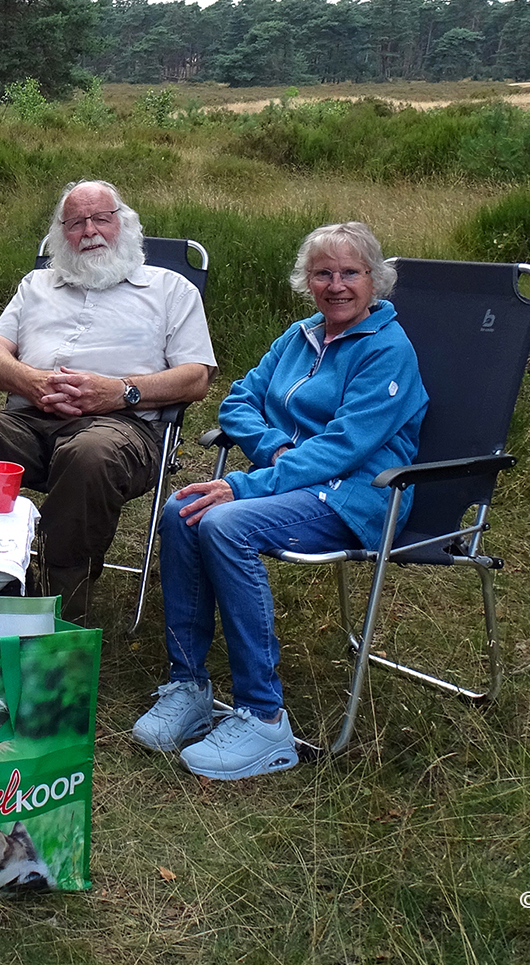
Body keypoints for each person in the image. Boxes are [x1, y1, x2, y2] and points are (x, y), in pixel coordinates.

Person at [131, 221, 429, 780]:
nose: (336, 285)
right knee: (180, 510)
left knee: (224, 524)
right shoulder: (299, 337)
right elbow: (237, 403)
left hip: (359, 496)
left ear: (375, 280)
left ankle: (264, 718)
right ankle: (189, 684)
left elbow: (342, 450)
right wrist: (276, 447)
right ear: (307, 281)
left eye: (350, 273)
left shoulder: (389, 351)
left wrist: (246, 482)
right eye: (323, 273)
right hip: (295, 481)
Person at [0, 179, 216, 620]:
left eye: (101, 219)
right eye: (75, 223)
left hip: (120, 427)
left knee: (89, 454)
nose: (89, 231)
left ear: (123, 225)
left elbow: (196, 376)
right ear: (60, 235)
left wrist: (119, 391)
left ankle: (55, 605)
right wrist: (30, 382)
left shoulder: (170, 289)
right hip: (27, 422)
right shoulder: (37, 285)